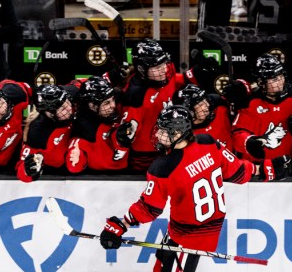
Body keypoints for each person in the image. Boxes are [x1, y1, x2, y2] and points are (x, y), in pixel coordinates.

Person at [98, 105, 291, 272]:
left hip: (191, 234)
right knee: (160, 270)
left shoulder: (163, 166)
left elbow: (149, 208)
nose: (160, 136)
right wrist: (268, 169)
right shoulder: (208, 142)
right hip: (192, 227)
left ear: (180, 133)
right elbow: (237, 171)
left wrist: (119, 224)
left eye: (166, 133)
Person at [231, 53, 292, 165]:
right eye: (273, 79)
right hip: (257, 166)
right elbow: (238, 133)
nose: (279, 83)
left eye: (280, 77)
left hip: (290, 164)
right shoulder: (250, 101)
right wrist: (248, 143)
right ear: (261, 82)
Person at [120, 40, 186, 171]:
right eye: (156, 67)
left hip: (172, 146)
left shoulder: (166, 71)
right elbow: (129, 132)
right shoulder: (136, 95)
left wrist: (198, 73)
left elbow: (177, 79)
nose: (163, 70)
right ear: (141, 69)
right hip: (147, 156)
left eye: (164, 64)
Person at [66, 76, 135, 174]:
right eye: (107, 103)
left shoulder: (117, 105)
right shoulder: (84, 130)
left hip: (129, 171)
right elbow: (74, 166)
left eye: (112, 100)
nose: (113, 105)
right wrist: (77, 158)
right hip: (99, 179)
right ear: (92, 105)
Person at [14, 83, 78, 183]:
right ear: (49, 113)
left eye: (67, 103)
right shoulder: (37, 132)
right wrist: (27, 171)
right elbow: (22, 170)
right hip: (61, 172)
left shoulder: (65, 94)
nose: (70, 108)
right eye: (63, 109)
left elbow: (83, 83)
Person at [172, 84, 233, 150]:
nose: (207, 105)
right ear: (190, 112)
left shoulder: (221, 110)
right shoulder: (186, 138)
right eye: (201, 104)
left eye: (206, 100)